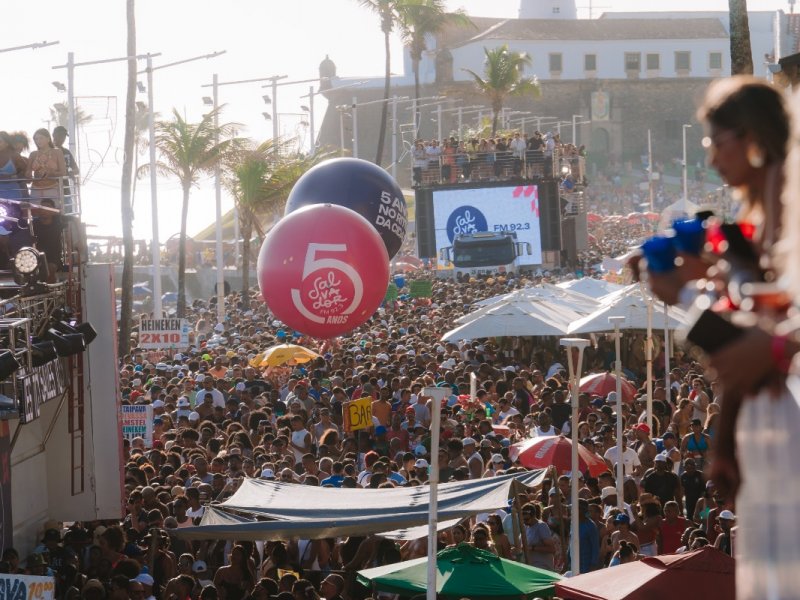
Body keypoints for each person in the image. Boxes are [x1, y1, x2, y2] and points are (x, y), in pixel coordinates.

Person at [25, 128, 66, 205]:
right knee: (35, 212)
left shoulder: (57, 152)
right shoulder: (33, 154)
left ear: (48, 139)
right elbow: (28, 171)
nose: (38, 141)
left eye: (41, 138)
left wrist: (51, 173)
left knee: (52, 212)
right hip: (35, 189)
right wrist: (28, 175)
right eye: (36, 139)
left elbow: (63, 172)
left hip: (52, 188)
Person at [521, 503, 555, 571]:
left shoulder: (541, 526)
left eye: (527, 519)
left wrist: (532, 548)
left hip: (542, 568)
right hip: (531, 567)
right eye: (523, 519)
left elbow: (552, 549)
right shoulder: (525, 527)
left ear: (533, 516)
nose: (524, 521)